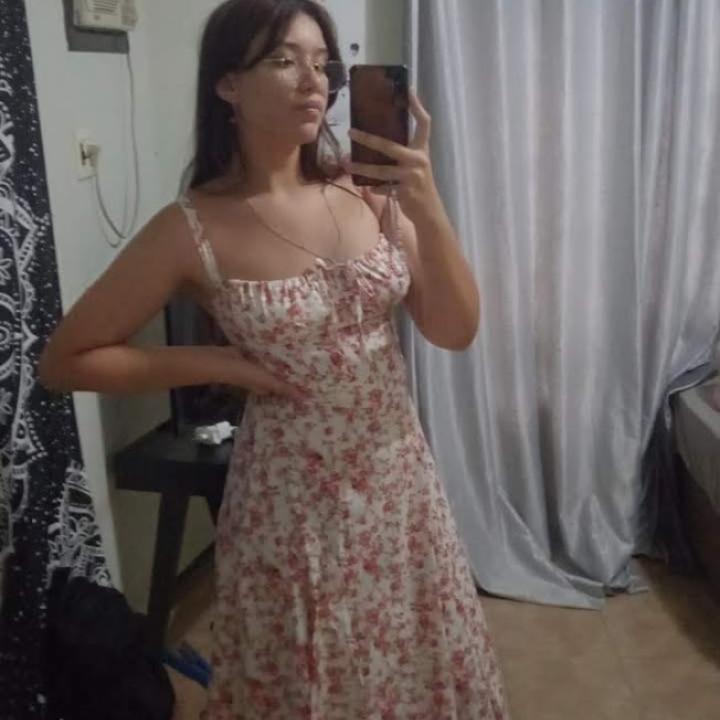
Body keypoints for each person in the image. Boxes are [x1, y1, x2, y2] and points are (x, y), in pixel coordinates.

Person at [39, 0, 511, 717]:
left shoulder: (366, 191)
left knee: (412, 662)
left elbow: (455, 328)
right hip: (290, 502)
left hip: (398, 484)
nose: (313, 81)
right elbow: (66, 359)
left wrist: (428, 204)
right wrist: (223, 364)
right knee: (308, 673)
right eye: (284, 60)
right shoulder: (191, 229)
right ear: (228, 84)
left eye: (322, 63)